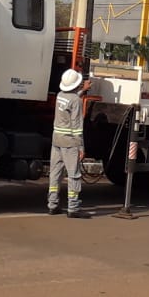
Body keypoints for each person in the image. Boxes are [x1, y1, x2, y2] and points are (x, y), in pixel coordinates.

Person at [48, 68, 92, 219]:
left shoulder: (60, 96)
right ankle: (73, 208)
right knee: (74, 175)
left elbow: (70, 102)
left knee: (55, 174)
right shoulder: (76, 101)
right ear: (76, 84)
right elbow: (77, 126)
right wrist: (81, 147)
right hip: (70, 142)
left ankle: (52, 205)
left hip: (56, 139)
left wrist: (82, 91)